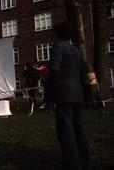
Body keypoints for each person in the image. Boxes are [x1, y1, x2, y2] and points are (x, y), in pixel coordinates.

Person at [46, 22, 92, 170]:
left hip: (63, 94)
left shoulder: (57, 48)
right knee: (79, 128)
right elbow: (83, 70)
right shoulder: (76, 50)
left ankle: (73, 164)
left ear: (57, 35)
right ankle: (85, 162)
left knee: (66, 131)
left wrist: (48, 85)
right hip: (77, 94)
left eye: (53, 34)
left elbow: (54, 71)